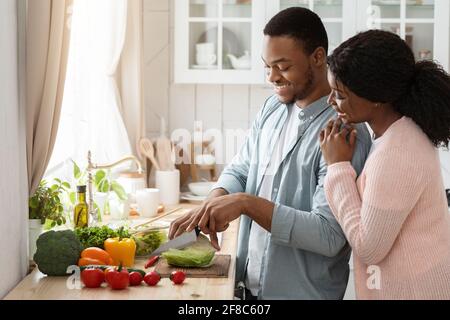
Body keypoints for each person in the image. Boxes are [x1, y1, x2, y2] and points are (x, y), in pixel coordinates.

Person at [169, 7, 372, 300]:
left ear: (317, 58)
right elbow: (241, 168)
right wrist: (213, 203)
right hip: (246, 289)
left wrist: (245, 204)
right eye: (267, 67)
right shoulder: (272, 109)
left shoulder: (342, 132)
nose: (272, 77)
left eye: (283, 66)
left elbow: (330, 235)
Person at [320, 29, 450, 299]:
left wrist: (337, 167)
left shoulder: (397, 153)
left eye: (340, 95)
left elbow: (369, 248)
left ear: (377, 97)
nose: (332, 102)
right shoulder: (397, 131)